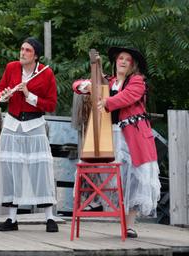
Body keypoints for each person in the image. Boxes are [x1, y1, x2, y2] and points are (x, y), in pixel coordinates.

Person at [72, 46, 161, 238]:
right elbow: (76, 85)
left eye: (127, 60)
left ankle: (129, 224)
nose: (123, 61)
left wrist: (106, 103)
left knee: (135, 179)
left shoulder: (137, 82)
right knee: (110, 175)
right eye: (120, 58)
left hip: (133, 138)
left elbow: (127, 97)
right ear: (115, 62)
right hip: (112, 135)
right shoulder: (107, 82)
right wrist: (86, 86)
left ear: (132, 65)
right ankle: (101, 206)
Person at [0, 37, 59, 232]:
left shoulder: (46, 73)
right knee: (10, 167)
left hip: (34, 124)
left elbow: (51, 104)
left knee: (41, 168)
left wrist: (29, 95)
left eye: (27, 50)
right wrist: (4, 95)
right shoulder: (11, 68)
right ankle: (12, 219)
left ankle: (49, 217)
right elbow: (0, 89)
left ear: (36, 55)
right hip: (12, 124)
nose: (22, 53)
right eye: (22, 49)